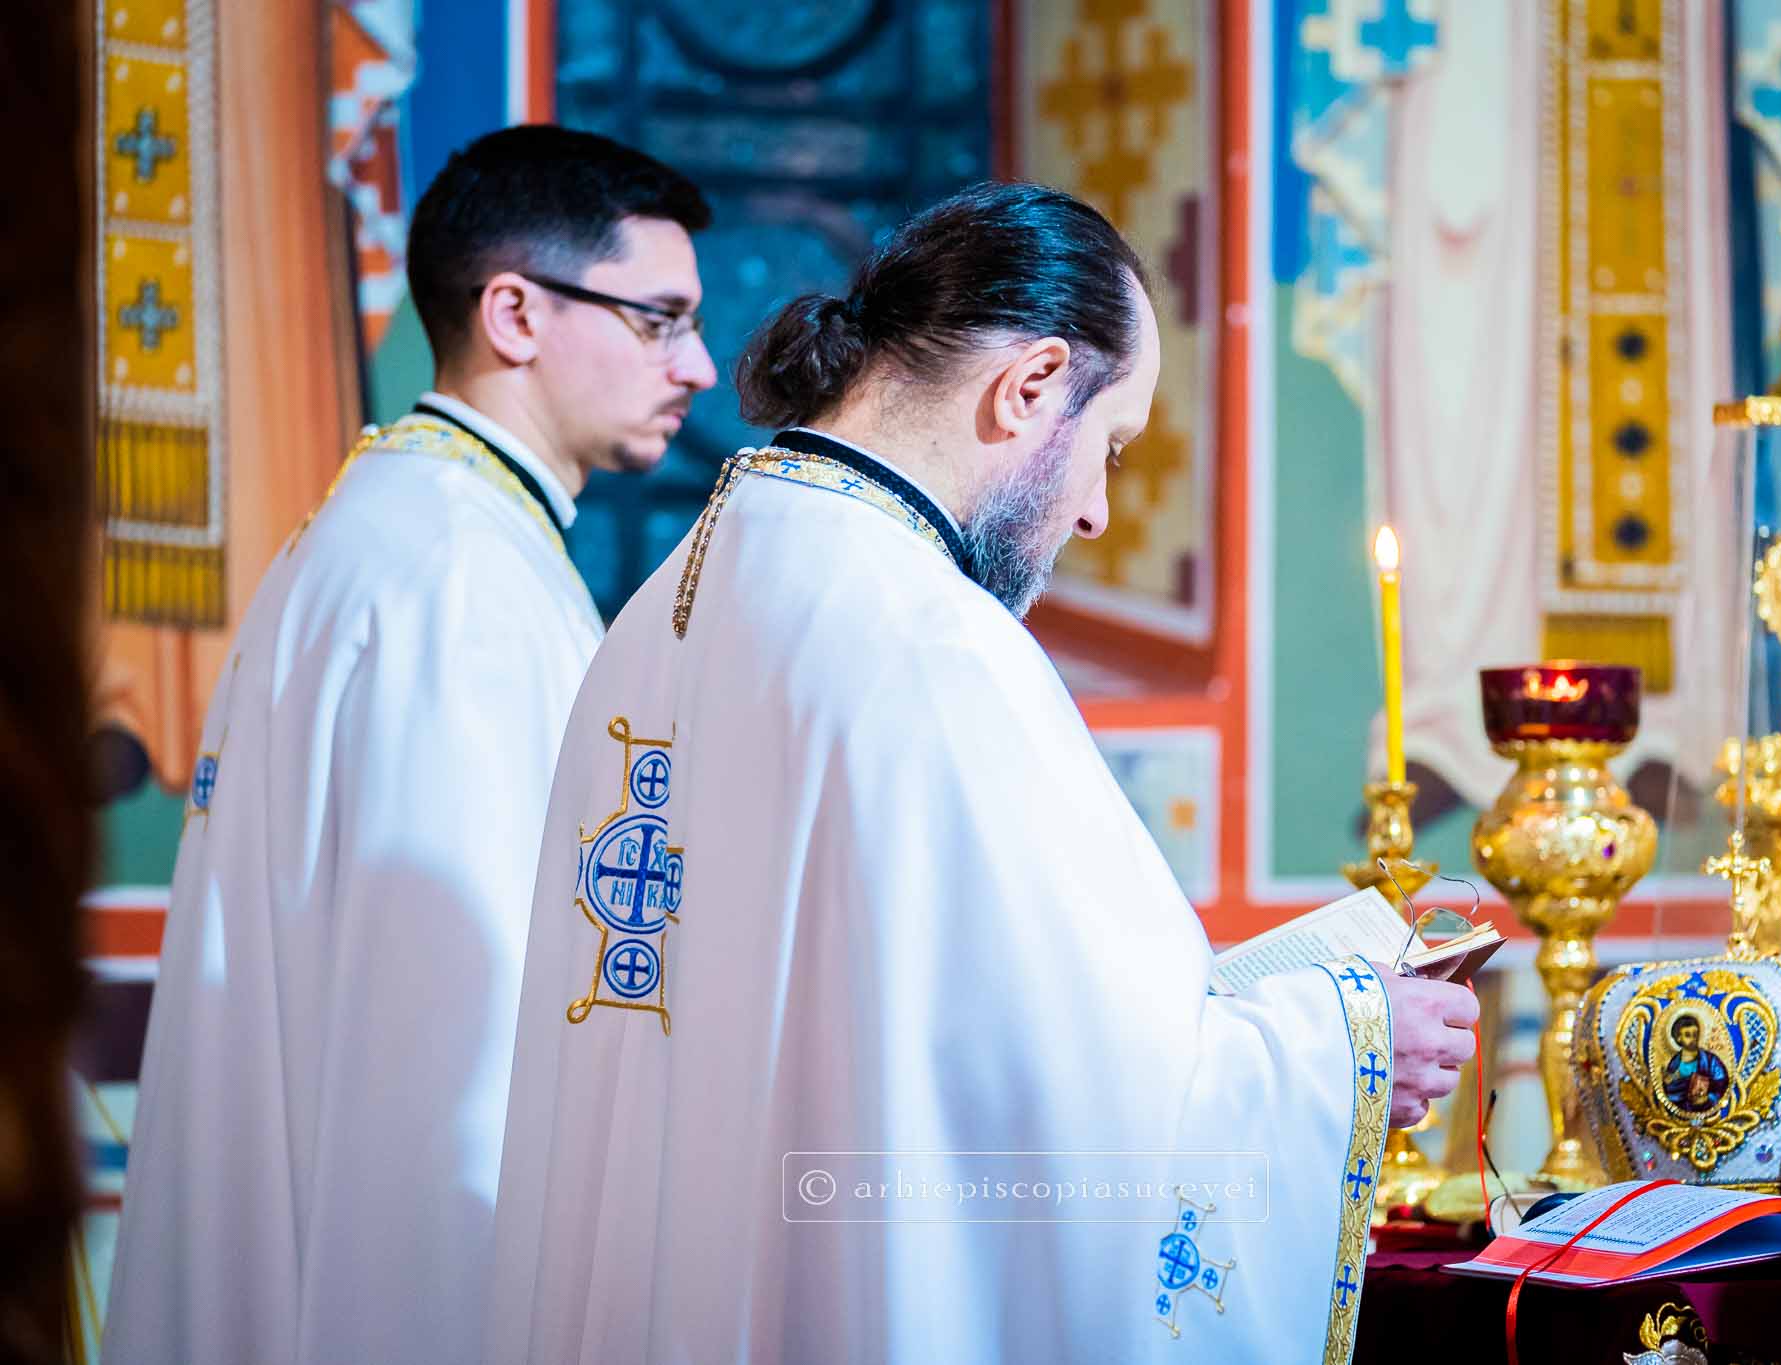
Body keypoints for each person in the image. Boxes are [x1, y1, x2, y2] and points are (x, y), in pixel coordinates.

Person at [485, 181, 1476, 1363]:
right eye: (1109, 449)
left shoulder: (677, 594)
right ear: (1031, 385)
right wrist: (1348, 1040)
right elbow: (1089, 1104)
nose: (1095, 511)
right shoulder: (933, 645)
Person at [103, 125, 717, 1365]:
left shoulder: (401, 521)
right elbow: (458, 1042)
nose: (697, 365)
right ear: (515, 313)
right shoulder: (458, 579)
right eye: (659, 319)